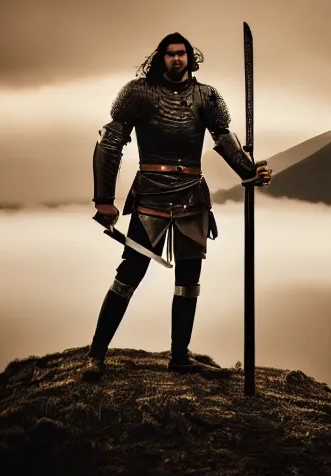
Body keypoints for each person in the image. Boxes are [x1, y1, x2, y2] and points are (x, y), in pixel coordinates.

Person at [82, 32, 272, 380]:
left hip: (192, 196)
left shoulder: (207, 97)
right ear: (161, 58)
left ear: (190, 57)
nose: (177, 59)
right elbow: (110, 143)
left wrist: (250, 170)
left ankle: (180, 357)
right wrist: (104, 200)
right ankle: (95, 355)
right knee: (129, 275)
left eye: (182, 53)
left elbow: (224, 138)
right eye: (170, 54)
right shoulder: (137, 93)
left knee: (189, 280)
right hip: (151, 196)